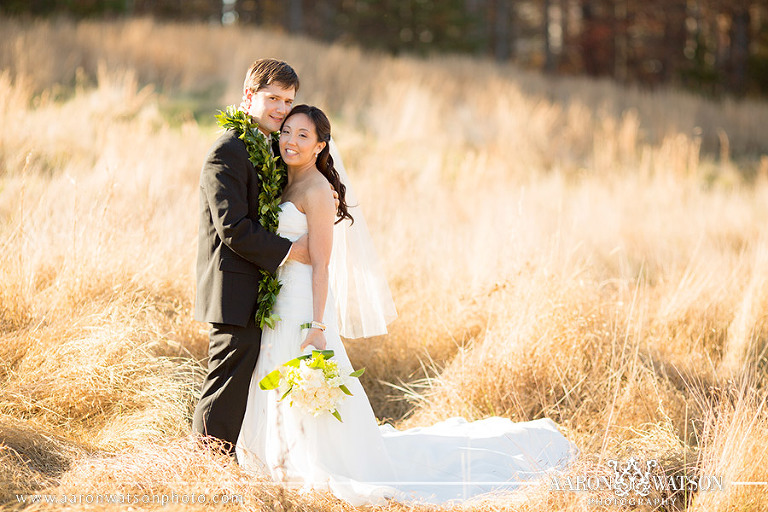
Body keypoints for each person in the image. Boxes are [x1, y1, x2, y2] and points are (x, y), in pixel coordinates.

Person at [236, 105, 577, 505]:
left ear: (320, 146)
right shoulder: (285, 184)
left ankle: (310, 463)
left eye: (303, 136)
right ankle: (277, 460)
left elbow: (323, 265)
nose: (291, 141)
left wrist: (317, 326)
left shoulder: (316, 190)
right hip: (278, 304)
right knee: (274, 378)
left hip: (305, 308)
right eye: (287, 132)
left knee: (307, 388)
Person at [193, 59, 315, 455]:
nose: (281, 109)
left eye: (288, 100)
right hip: (232, 287)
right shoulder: (227, 150)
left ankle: (238, 460)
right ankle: (206, 465)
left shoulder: (267, 149)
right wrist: (292, 251)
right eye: (273, 98)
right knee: (226, 381)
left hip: (259, 288)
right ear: (249, 96)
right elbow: (233, 227)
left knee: (244, 378)